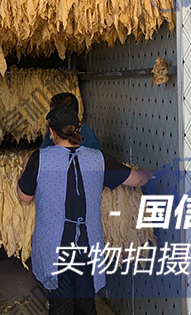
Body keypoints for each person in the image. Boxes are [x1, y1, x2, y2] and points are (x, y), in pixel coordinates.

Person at [17, 105, 153, 315]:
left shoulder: (39, 158)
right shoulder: (98, 158)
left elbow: (24, 196)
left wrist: (25, 168)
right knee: (86, 303)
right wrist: (151, 172)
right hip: (87, 244)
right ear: (79, 128)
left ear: (51, 132)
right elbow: (136, 180)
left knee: (60, 304)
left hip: (54, 245)